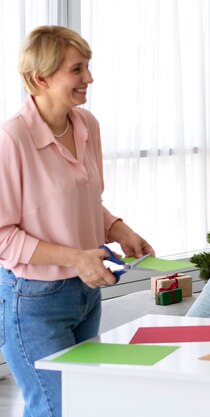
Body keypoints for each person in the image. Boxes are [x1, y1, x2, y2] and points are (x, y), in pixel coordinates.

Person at [0, 26, 154, 417]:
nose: (89, 78)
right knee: (58, 409)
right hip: (34, 300)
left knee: (87, 405)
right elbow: (3, 237)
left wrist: (120, 230)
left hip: (86, 294)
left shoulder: (87, 125)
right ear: (41, 79)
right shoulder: (11, 140)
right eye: (77, 69)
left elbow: (86, 201)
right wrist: (76, 257)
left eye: (87, 67)